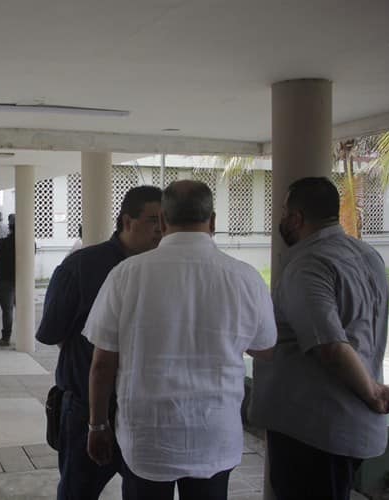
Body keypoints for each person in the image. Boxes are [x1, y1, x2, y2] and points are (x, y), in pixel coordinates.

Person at [83, 181, 276, 500]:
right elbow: (265, 348)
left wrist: (97, 426)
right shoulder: (244, 277)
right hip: (213, 435)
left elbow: (102, 363)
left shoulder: (127, 274)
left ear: (162, 222)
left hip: (147, 437)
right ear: (213, 221)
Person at [249, 177, 389, 500]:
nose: (282, 219)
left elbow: (328, 344)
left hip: (316, 430)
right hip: (344, 426)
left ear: (297, 218)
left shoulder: (308, 265)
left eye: (285, 211)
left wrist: (372, 392)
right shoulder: (367, 254)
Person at [36, 186, 163, 500]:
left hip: (146, 409)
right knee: (78, 491)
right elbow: (51, 331)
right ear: (126, 221)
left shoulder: (166, 269)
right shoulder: (82, 266)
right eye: (153, 220)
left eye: (166, 220)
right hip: (85, 408)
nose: (161, 229)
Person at [0, 220, 15, 347]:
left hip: (5, 280)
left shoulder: (3, 242)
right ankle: (25, 335)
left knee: (7, 310)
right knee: (23, 309)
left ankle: (6, 338)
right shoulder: (29, 242)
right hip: (23, 281)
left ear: (9, 229)